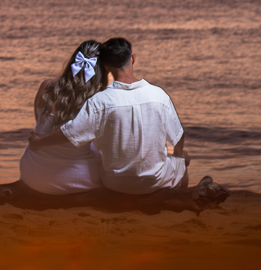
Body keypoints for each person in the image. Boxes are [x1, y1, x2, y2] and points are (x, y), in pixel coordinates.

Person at [28, 37, 189, 194]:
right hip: (143, 180)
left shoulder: (97, 100)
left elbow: (65, 133)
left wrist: (39, 142)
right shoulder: (158, 95)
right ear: (132, 59)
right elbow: (178, 136)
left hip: (108, 181)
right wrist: (179, 155)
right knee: (183, 161)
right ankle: (182, 200)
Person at [17, 40, 108, 194]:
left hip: (33, 174)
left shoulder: (47, 86)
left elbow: (42, 127)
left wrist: (40, 143)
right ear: (102, 70)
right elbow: (70, 134)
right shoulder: (98, 100)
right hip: (73, 179)